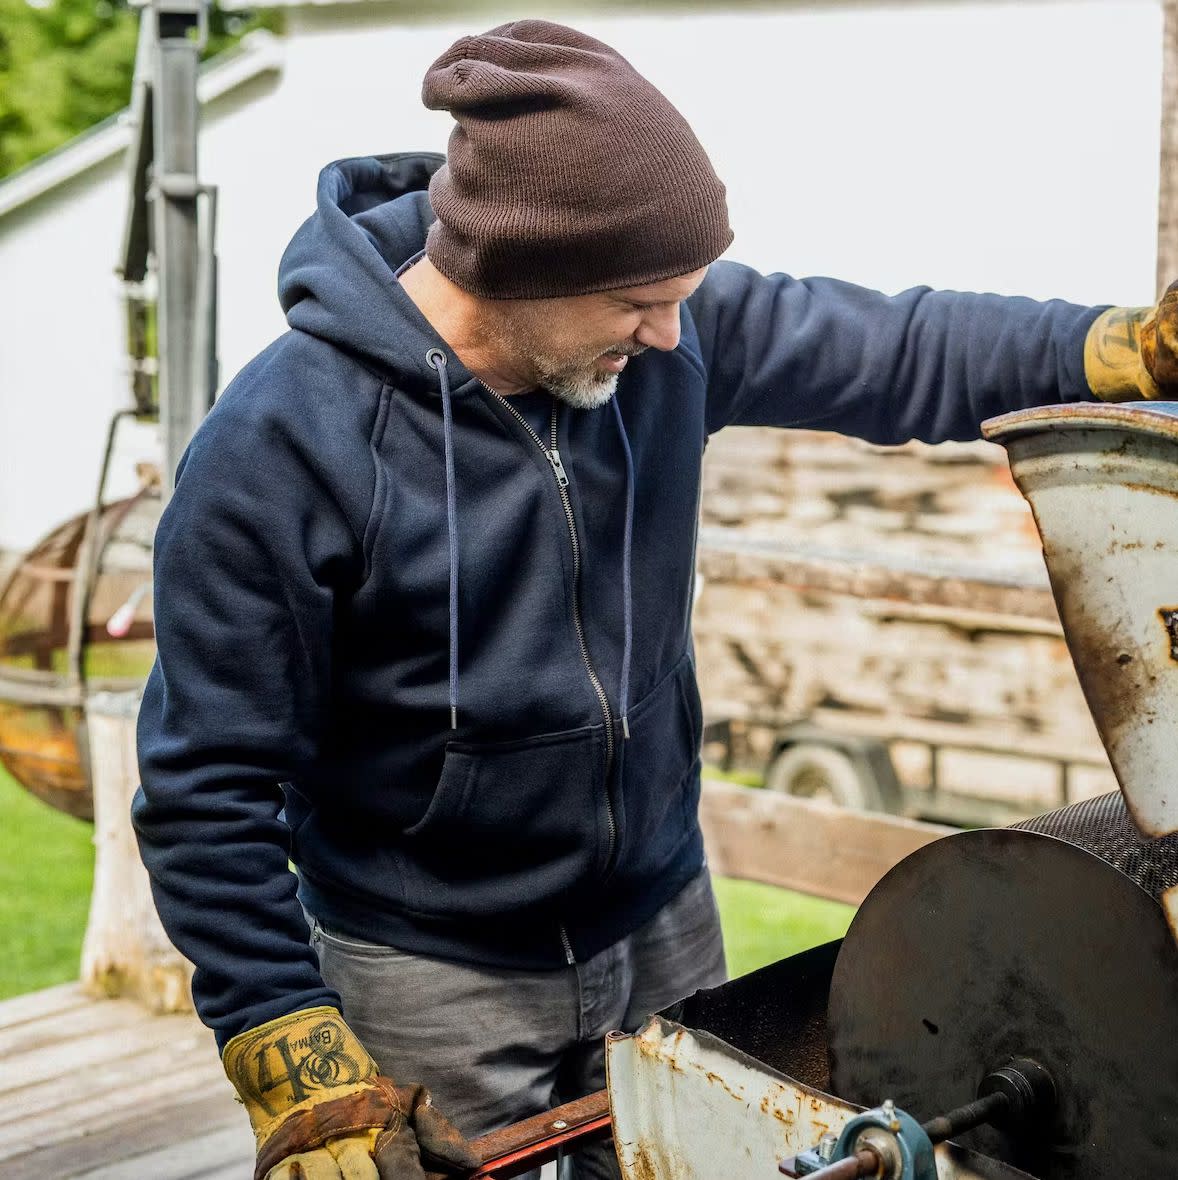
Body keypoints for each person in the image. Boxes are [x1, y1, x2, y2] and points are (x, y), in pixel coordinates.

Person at [132, 18, 1178, 1180]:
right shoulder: (279, 449)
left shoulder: (664, 334)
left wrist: (1120, 347)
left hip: (661, 915)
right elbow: (204, 784)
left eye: (683, 294)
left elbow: (903, 347)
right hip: (426, 966)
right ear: (514, 270)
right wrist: (282, 1038)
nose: (673, 333)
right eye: (641, 301)